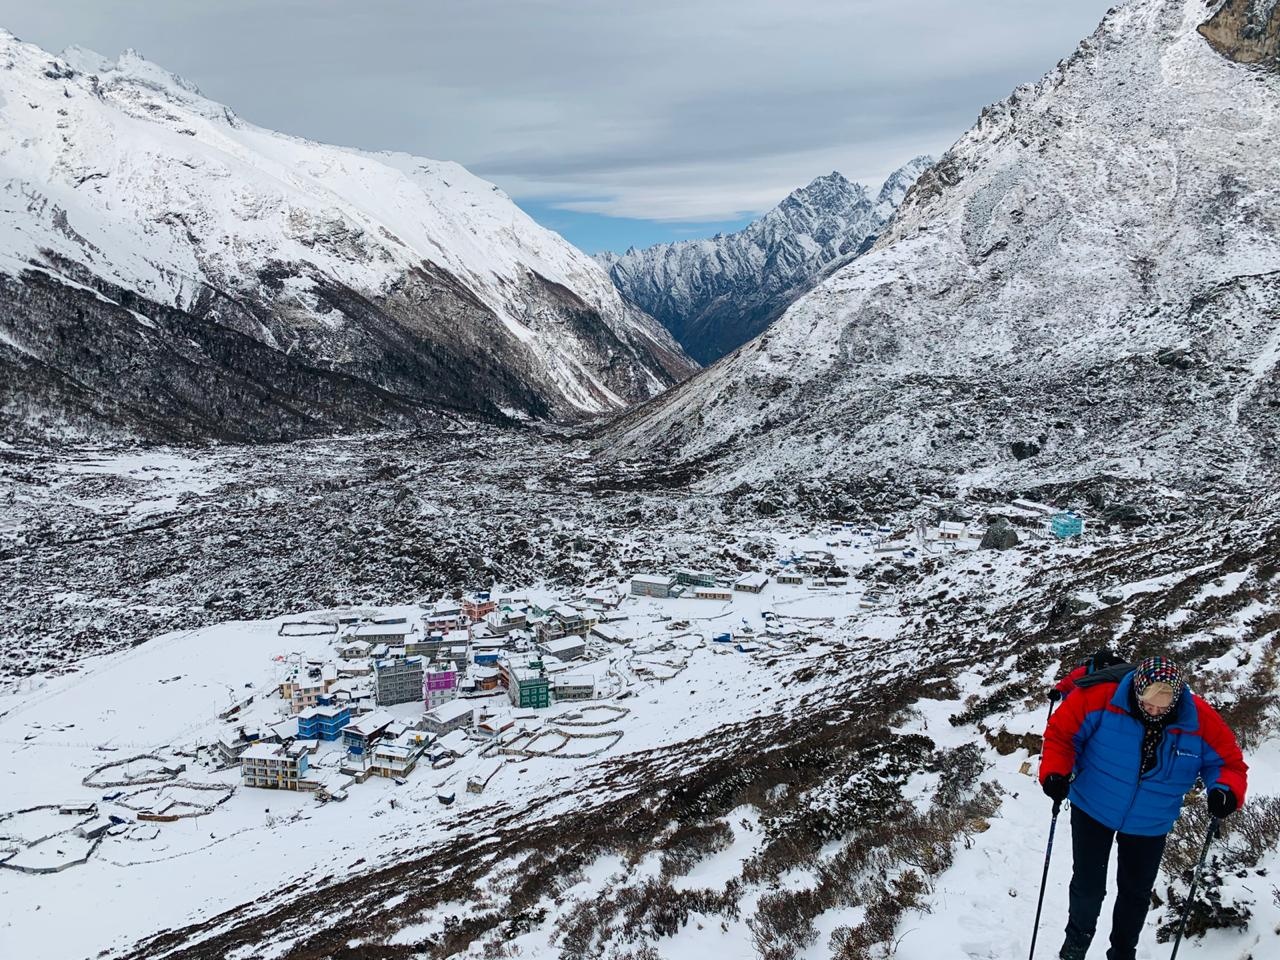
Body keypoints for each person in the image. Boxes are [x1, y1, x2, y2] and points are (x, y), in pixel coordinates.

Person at [1039, 655, 1248, 960]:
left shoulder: (1198, 718)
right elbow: (1062, 735)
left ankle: (1123, 954)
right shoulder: (1101, 697)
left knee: (1135, 895)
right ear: (1136, 690)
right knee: (1088, 885)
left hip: (1150, 821)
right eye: (1148, 705)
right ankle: (1075, 946)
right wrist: (1056, 772)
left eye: (1163, 708)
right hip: (1093, 806)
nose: (1154, 713)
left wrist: (1224, 790)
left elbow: (1228, 763)